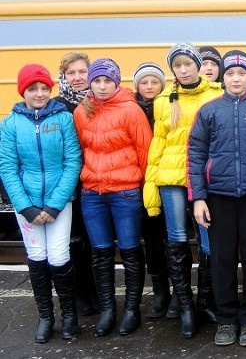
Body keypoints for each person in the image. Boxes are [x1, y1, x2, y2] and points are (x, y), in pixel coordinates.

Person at [188, 50, 246, 347]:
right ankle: (227, 318)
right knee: (222, 260)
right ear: (223, 77)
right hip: (218, 196)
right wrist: (198, 198)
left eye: (241, 73)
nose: (236, 78)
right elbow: (195, 155)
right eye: (230, 73)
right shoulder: (209, 111)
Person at [143, 42, 223, 338]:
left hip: (205, 176)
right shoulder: (164, 99)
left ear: (198, 65)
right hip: (171, 175)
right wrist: (151, 184)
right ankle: (186, 306)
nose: (183, 69)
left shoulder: (216, 93)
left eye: (188, 64)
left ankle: (206, 301)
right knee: (176, 239)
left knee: (208, 240)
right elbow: (158, 142)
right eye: (177, 65)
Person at [0, 65, 82, 343]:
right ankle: (46, 317)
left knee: (59, 256)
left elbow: (73, 162)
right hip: (27, 205)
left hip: (59, 203)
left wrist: (55, 204)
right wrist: (26, 207)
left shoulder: (64, 119)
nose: (39, 93)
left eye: (44, 88)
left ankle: (69, 316)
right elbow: (8, 168)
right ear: (23, 91)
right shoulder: (10, 124)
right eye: (33, 88)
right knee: (37, 256)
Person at [73, 58, 153, 337]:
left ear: (117, 83)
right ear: (90, 83)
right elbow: (81, 149)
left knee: (130, 250)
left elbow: (144, 151)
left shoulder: (131, 110)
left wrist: (142, 188)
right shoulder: (82, 111)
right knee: (101, 253)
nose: (102, 86)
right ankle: (108, 310)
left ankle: (131, 309)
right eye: (97, 81)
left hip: (125, 191)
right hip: (92, 192)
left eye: (107, 81)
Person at [52, 51, 97, 316]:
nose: (78, 77)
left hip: (93, 178)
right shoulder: (57, 106)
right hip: (69, 182)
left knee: (93, 240)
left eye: (82, 72)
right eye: (71, 73)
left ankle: (95, 291)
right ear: (63, 76)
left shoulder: (98, 101)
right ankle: (78, 293)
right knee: (73, 240)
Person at [132, 62, 173, 320]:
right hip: (141, 181)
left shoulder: (169, 105)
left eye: (154, 82)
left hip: (166, 177)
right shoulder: (131, 109)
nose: (149, 87)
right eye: (144, 82)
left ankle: (178, 290)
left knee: (172, 237)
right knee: (152, 239)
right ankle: (160, 291)